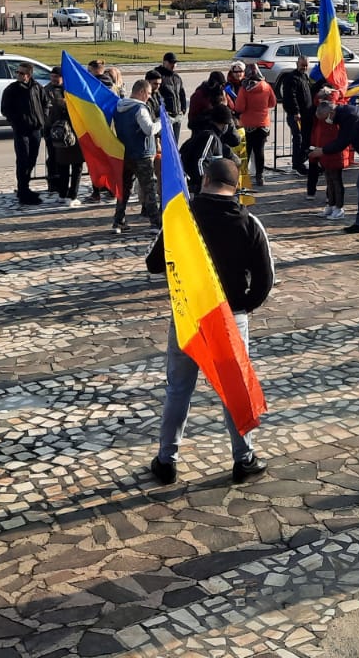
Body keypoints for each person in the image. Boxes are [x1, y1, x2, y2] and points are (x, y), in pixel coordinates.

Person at [147, 155, 274, 486]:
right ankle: (243, 459)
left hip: (188, 317)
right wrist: (242, 307)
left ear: (204, 180)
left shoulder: (182, 220)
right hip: (229, 319)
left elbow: (153, 263)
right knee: (234, 389)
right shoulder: (249, 223)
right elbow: (265, 279)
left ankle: (166, 461)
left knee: (178, 389)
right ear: (235, 188)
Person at [307, 94, 359, 234]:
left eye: (326, 118)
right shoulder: (345, 113)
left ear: (331, 112)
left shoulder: (348, 117)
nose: (327, 122)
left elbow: (342, 142)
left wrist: (321, 151)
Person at [111, 78, 159, 234]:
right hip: (142, 155)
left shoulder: (119, 107)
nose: (150, 97)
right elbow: (149, 129)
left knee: (124, 189)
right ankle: (155, 223)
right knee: (149, 188)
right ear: (142, 92)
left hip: (124, 153)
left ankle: (118, 221)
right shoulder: (140, 109)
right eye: (149, 93)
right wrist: (162, 122)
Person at [0, 62, 46, 205]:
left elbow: (45, 104)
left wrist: (42, 118)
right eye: (17, 72)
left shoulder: (37, 87)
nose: (18, 75)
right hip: (21, 131)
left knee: (32, 159)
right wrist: (17, 122)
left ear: (29, 75)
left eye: (22, 73)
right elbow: (5, 109)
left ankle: (25, 186)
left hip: (36, 130)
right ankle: (23, 189)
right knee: (23, 160)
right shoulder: (12, 89)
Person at [229, 62, 276, 187]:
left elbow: (240, 107)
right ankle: (260, 176)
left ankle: (244, 177)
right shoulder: (266, 86)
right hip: (263, 123)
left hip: (248, 124)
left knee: (247, 151)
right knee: (259, 150)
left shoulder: (245, 89)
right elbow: (273, 103)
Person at [41, 67, 84, 204]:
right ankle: (62, 192)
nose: (54, 79)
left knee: (76, 165)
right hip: (57, 133)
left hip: (75, 132)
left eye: (56, 77)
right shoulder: (46, 91)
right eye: (52, 76)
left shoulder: (71, 90)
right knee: (61, 164)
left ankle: (73, 194)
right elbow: (47, 112)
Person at [180, 102, 241, 197]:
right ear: (224, 124)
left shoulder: (214, 137)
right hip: (199, 188)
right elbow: (200, 162)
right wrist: (204, 186)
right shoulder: (210, 137)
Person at [306, 91, 349, 220]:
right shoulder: (322, 118)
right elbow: (318, 135)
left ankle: (339, 207)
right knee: (329, 180)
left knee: (336, 180)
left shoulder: (336, 117)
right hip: (324, 152)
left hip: (335, 153)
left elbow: (339, 140)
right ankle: (331, 205)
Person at [276, 55, 314, 175]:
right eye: (303, 65)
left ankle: (301, 160)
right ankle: (297, 164)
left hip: (307, 115)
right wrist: (296, 111)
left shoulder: (305, 77)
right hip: (296, 115)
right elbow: (290, 97)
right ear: (297, 64)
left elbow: (309, 92)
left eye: (306, 65)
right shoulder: (291, 78)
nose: (305, 67)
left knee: (306, 139)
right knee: (298, 139)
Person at [153, 53, 188, 144]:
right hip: (166, 117)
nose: (173, 65)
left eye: (175, 63)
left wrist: (183, 109)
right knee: (165, 144)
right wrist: (161, 112)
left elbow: (182, 94)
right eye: (171, 62)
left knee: (174, 144)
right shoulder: (159, 76)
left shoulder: (177, 78)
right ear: (164, 62)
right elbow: (155, 95)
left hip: (177, 116)